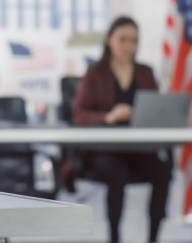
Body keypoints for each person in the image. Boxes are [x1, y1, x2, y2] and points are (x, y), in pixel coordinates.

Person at [72, 16, 173, 243]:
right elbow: (79, 115)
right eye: (123, 39)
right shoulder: (95, 73)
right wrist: (109, 116)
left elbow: (157, 109)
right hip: (103, 151)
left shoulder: (145, 72)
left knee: (162, 170)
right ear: (110, 40)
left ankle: (153, 237)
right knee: (115, 171)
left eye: (134, 41)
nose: (129, 46)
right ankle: (115, 237)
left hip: (137, 149)